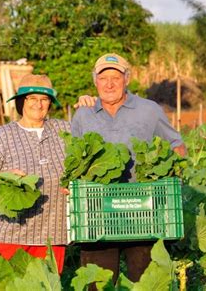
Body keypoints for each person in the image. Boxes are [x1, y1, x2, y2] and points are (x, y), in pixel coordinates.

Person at [71, 53, 187, 283]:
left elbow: (177, 145)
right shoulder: (83, 114)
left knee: (147, 283)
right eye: (103, 78)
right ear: (95, 81)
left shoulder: (149, 110)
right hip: (97, 214)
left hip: (144, 210)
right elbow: (72, 158)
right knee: (99, 285)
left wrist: (172, 173)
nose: (110, 83)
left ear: (127, 79)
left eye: (116, 77)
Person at [0, 74, 70, 273]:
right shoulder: (5, 134)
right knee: (1, 285)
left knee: (44, 286)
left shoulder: (63, 129)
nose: (39, 104)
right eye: (32, 98)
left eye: (44, 99)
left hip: (53, 234)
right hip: (13, 233)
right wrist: (3, 176)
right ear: (20, 102)